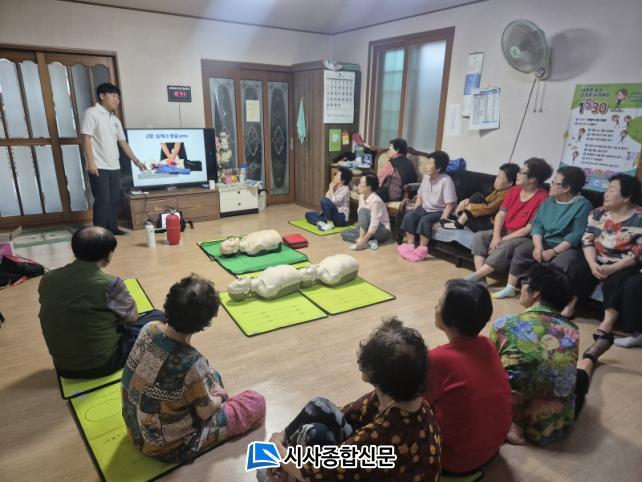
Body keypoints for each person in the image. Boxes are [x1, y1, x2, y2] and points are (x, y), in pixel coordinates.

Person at [263, 318, 441, 482]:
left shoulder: (380, 437)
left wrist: (277, 447)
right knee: (319, 407)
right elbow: (347, 413)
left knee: (312, 435)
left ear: (372, 372)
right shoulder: (408, 401)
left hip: (374, 465)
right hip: (385, 467)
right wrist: (283, 437)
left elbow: (310, 472)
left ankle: (276, 470)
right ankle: (276, 466)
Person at [122, 274, 266, 463]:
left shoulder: (150, 327)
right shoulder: (192, 363)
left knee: (211, 375)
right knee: (255, 401)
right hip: (167, 448)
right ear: (204, 322)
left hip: (134, 431)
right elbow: (205, 413)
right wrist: (219, 398)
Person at [489, 264, 597, 446]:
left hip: (509, 409)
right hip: (553, 425)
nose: (522, 286)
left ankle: (512, 422)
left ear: (536, 293)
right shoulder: (572, 331)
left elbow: (488, 367)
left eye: (525, 282)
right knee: (578, 376)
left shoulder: (505, 324)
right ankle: (593, 355)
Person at [38, 226, 165, 378]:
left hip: (62, 367)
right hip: (102, 364)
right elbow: (132, 317)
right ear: (108, 254)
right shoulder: (110, 284)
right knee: (157, 317)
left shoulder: (48, 278)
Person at [425, 280, 511, 476]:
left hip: (455, 461)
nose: (435, 307)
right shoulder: (487, 344)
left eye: (439, 303)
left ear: (451, 319)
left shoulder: (437, 359)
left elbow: (415, 402)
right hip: (492, 449)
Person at [494, 166, 593, 308]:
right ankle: (510, 287)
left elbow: (576, 235)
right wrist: (538, 246)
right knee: (523, 250)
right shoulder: (549, 201)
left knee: (560, 262)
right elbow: (538, 224)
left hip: (566, 247)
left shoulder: (583, 205)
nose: (550, 185)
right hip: (545, 241)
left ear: (566, 188)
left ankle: (545, 300)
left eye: (554, 183)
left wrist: (554, 251)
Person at [464, 157, 552, 286]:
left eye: (521, 172)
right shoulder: (514, 190)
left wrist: (502, 240)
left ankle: (475, 276)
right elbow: (501, 214)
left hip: (522, 236)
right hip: (504, 231)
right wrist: (496, 236)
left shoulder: (543, 198)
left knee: (507, 246)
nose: (517, 174)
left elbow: (529, 228)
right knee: (479, 236)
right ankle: (481, 280)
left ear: (532, 179)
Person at [581, 174, 642, 354]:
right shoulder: (598, 213)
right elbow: (587, 240)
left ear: (627, 196)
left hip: (627, 263)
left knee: (619, 278)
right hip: (598, 257)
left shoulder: (639, 218)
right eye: (606, 190)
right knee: (576, 265)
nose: (605, 194)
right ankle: (569, 307)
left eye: (611, 190)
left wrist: (613, 267)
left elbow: (639, 253)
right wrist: (592, 263)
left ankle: (607, 323)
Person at [81, 82, 147, 235]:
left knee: (114, 199)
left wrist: (136, 161)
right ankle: (99, 233)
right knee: (102, 200)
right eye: (113, 96)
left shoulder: (115, 120)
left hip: (114, 166)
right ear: (102, 96)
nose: (117, 99)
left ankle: (112, 227)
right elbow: (86, 138)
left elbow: (123, 143)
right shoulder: (91, 113)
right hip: (99, 166)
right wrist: (91, 162)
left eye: (118, 97)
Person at [398, 151, 456, 262]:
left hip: (439, 211)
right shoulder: (426, 178)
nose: (426, 166)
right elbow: (420, 195)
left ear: (438, 168)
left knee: (425, 220)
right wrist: (415, 208)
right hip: (425, 208)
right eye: (427, 162)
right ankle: (410, 246)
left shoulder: (446, 181)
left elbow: (450, 204)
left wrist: (442, 221)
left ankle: (422, 249)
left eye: (430, 163)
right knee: (409, 216)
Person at [441, 163, 520, 232]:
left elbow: (490, 208)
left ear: (510, 183)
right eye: (497, 177)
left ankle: (459, 223)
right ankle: (460, 220)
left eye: (500, 178)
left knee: (477, 197)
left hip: (489, 225)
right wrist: (467, 201)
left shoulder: (507, 194)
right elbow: (485, 201)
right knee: (477, 197)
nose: (496, 180)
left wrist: (470, 206)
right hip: (482, 220)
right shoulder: (499, 190)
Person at [340, 175, 391, 250]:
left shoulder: (375, 200)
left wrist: (362, 239)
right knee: (344, 233)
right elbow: (362, 219)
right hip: (368, 228)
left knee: (363, 211)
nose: (359, 185)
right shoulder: (361, 197)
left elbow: (374, 224)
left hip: (382, 231)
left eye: (361, 183)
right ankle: (370, 241)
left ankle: (363, 241)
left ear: (369, 186)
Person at [305, 166, 352, 231]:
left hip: (341, 217)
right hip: (330, 216)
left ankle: (329, 223)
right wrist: (332, 188)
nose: (334, 176)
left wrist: (330, 188)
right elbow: (327, 199)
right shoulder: (334, 187)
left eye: (337, 175)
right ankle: (321, 223)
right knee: (308, 214)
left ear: (343, 181)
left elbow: (333, 201)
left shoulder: (345, 189)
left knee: (324, 200)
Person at [376, 138, 417, 202]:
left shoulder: (392, 163)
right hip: (408, 196)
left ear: (397, 150)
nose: (388, 151)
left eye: (390, 148)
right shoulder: (410, 163)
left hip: (392, 195)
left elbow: (379, 179)